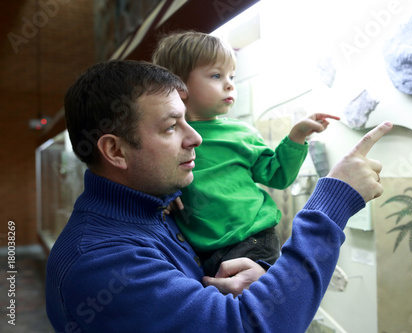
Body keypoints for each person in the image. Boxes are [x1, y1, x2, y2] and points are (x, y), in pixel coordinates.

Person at [45, 59, 392, 333]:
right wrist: (333, 205)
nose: (195, 137)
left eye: (187, 120)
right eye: (170, 127)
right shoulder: (101, 262)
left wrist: (255, 284)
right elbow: (250, 327)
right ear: (115, 151)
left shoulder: (155, 210)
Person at [152, 31, 340, 276]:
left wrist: (296, 137)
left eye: (232, 76)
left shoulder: (241, 133)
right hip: (201, 249)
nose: (230, 84)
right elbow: (155, 178)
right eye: (216, 75)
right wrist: (164, 197)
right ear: (178, 85)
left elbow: (278, 175)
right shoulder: (165, 138)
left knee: (256, 305)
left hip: (253, 239)